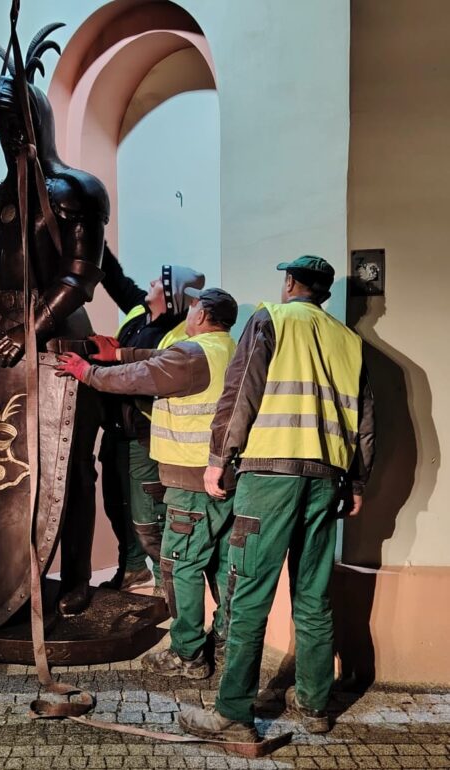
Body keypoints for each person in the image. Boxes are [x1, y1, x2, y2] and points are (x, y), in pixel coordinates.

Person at [0, 30, 109, 617]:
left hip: (58, 338)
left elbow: (79, 277)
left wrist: (31, 328)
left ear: (36, 124)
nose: (8, 138)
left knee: (72, 465)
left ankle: (76, 577)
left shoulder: (76, 191)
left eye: (16, 125)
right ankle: (1, 575)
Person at [178, 256, 375, 742]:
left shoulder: (270, 319)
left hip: (269, 477)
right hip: (326, 479)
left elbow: (241, 390)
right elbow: (365, 420)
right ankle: (314, 706)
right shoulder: (349, 342)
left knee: (248, 596)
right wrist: (357, 482)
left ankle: (234, 714)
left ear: (290, 283)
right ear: (324, 293)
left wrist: (218, 457)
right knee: (313, 596)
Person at [57, 288, 239, 678]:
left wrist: (87, 372)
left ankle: (188, 654)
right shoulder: (229, 349)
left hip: (192, 480)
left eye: (193, 308)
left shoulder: (191, 353)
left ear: (204, 315)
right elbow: (157, 358)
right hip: (226, 478)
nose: (188, 313)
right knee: (223, 565)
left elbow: (142, 376)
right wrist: (119, 353)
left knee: (182, 564)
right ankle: (224, 644)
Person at [97, 256, 206, 591]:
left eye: (159, 282)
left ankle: (165, 584)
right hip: (116, 430)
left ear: (171, 295)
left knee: (147, 515)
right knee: (116, 506)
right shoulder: (137, 314)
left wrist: (97, 371)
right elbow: (114, 277)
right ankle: (132, 568)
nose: (151, 284)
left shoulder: (174, 337)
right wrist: (94, 237)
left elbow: (139, 379)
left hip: (144, 437)